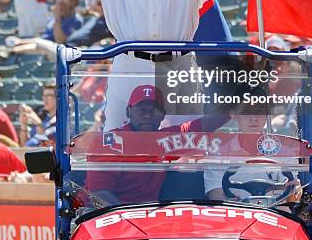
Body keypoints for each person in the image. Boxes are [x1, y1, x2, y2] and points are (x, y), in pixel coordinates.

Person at [86, 85, 229, 204]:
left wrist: (241, 103)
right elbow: (98, 194)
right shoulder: (108, 142)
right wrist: (129, 219)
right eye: (141, 109)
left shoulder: (165, 140)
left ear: (163, 115)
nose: (147, 115)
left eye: (154, 110)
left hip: (146, 219)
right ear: (128, 111)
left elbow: (206, 124)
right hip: (108, 217)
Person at [204, 88, 301, 203]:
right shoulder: (218, 153)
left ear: (267, 115)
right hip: (236, 215)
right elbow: (216, 195)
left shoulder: (285, 151)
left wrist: (295, 191)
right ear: (233, 114)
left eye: (259, 111)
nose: (253, 118)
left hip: (277, 216)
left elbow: (291, 197)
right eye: (246, 111)